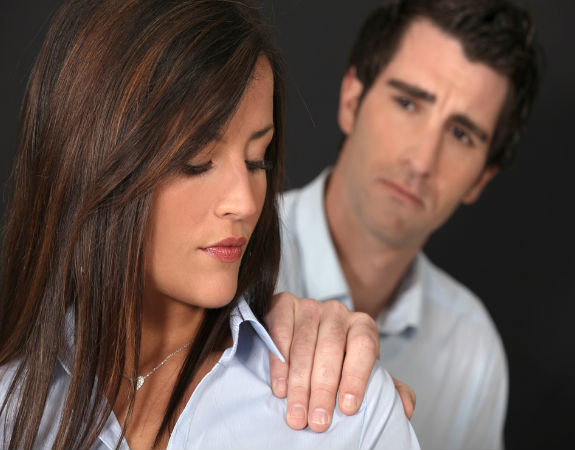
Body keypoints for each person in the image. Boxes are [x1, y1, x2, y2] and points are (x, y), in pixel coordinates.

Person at [0, 0, 420, 449]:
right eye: (198, 160)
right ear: (91, 161)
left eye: (257, 160)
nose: (245, 202)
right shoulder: (12, 399)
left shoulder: (343, 409)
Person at [277, 0, 541, 448]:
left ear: (481, 179)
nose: (421, 161)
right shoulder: (232, 258)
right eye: (407, 103)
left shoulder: (472, 352)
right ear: (351, 100)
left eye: (460, 134)